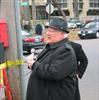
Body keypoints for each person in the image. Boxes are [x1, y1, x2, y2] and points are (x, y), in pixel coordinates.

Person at [26, 18, 88, 100]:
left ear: (62, 34)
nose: (48, 33)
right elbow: (46, 63)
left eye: (52, 31)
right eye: (47, 30)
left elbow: (54, 72)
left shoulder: (66, 50)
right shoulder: (52, 46)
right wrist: (34, 61)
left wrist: (34, 65)